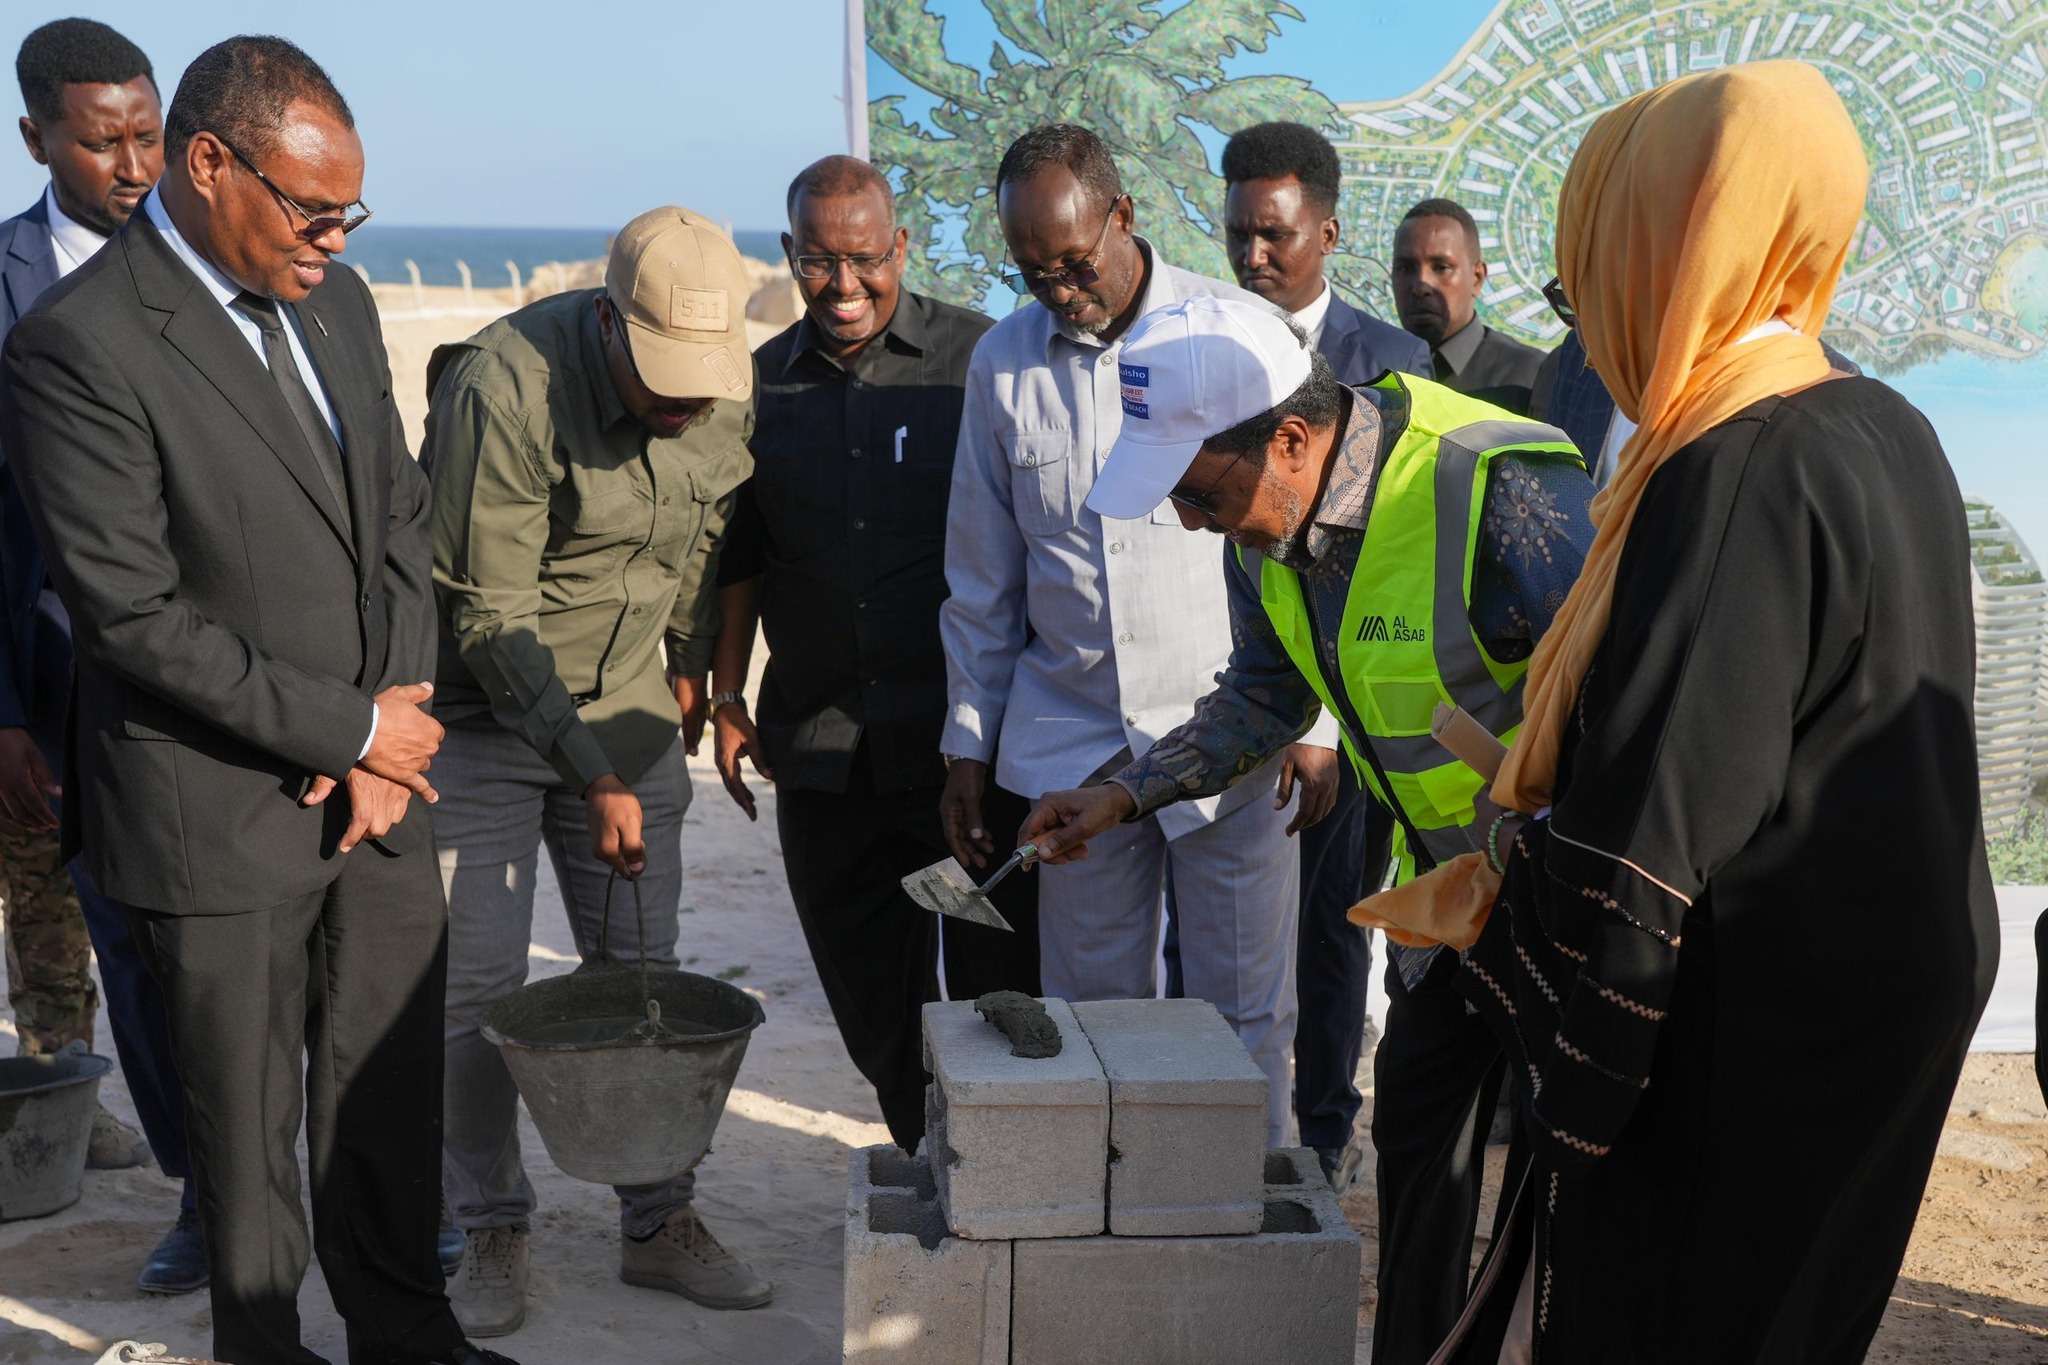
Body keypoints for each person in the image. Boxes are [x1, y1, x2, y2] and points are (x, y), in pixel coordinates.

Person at [1400, 62, 1998, 1362]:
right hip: (1878, 1004)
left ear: (1662, 255)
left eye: (1591, 273)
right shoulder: (1881, 422)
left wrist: (1514, 895)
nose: (1589, 316)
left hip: (1755, 1032)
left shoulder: (1734, 464)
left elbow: (1651, 838)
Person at [0, 35, 512, 1365]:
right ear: (209, 163)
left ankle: (409, 1339)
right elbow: (131, 616)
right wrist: (353, 732)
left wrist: (390, 727)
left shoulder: (337, 303)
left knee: (387, 1100)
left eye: (353, 211)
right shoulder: (75, 345)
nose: (335, 238)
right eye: (312, 209)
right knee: (245, 1144)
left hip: (381, 798)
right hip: (213, 811)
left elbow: (399, 519)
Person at [1016, 294, 1592, 1365]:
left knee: (1558, 1187)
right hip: (1448, 899)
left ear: (1288, 438)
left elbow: (1625, 699)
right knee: (1418, 1146)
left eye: (1199, 494)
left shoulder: (1493, 484)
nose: (1193, 522)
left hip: (1567, 897)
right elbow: (1265, 694)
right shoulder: (1265, 537)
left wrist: (1561, 862)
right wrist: (1125, 794)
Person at [422, 205, 770, 1338]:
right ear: (612, 323)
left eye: (701, 381)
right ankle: (489, 1225)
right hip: (481, 722)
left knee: (641, 979)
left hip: (625, 719)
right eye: (663, 377)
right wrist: (589, 774)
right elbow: (487, 615)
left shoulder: (719, 385)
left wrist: (689, 670)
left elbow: (702, 544)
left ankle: (657, 1218)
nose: (685, 402)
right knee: (475, 993)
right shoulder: (503, 388)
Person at [940, 124, 1318, 1144]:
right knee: (1093, 1021)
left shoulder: (1237, 333)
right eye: (1032, 274)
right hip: (1073, 738)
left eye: (1074, 263)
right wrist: (967, 744)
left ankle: (1247, 1193)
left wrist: (1315, 725)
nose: (1059, 291)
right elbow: (982, 577)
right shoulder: (1001, 365)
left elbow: (1304, 532)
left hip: (1230, 731)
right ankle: (1115, 1202)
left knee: (1243, 1014)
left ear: (1123, 217)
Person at [709, 156, 1039, 1150]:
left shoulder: (978, 362)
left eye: (865, 259)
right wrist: (726, 695)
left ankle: (1000, 1173)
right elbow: (739, 559)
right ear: (788, 254)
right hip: (824, 762)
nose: (843, 285)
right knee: (872, 1002)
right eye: (818, 262)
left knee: (997, 988)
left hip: (965, 763)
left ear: (900, 247)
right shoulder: (756, 386)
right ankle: (924, 1148)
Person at [0, 17, 207, 1295]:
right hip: (68, 690)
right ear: (37, 140)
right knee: (130, 952)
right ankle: (203, 1193)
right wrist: (5, 713)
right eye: (102, 142)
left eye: (149, 136)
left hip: (227, 679)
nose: (136, 166)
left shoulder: (215, 259)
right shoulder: (5, 286)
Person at [1220, 118, 1429, 1188]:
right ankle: (1228, 1124)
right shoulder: (1210, 349)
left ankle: (1325, 1126)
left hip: (1357, 713)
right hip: (1249, 686)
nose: (1253, 256)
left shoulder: (1390, 365)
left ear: (1328, 232)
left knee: (1335, 922)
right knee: (1231, 938)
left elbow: (1397, 566)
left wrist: (1323, 726)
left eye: (1275, 234)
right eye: (1238, 234)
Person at [1390, 197, 1545, 414]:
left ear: (1477, 277)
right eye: (1405, 268)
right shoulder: (1373, 369)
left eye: (1441, 267)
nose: (1420, 286)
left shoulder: (1531, 375)